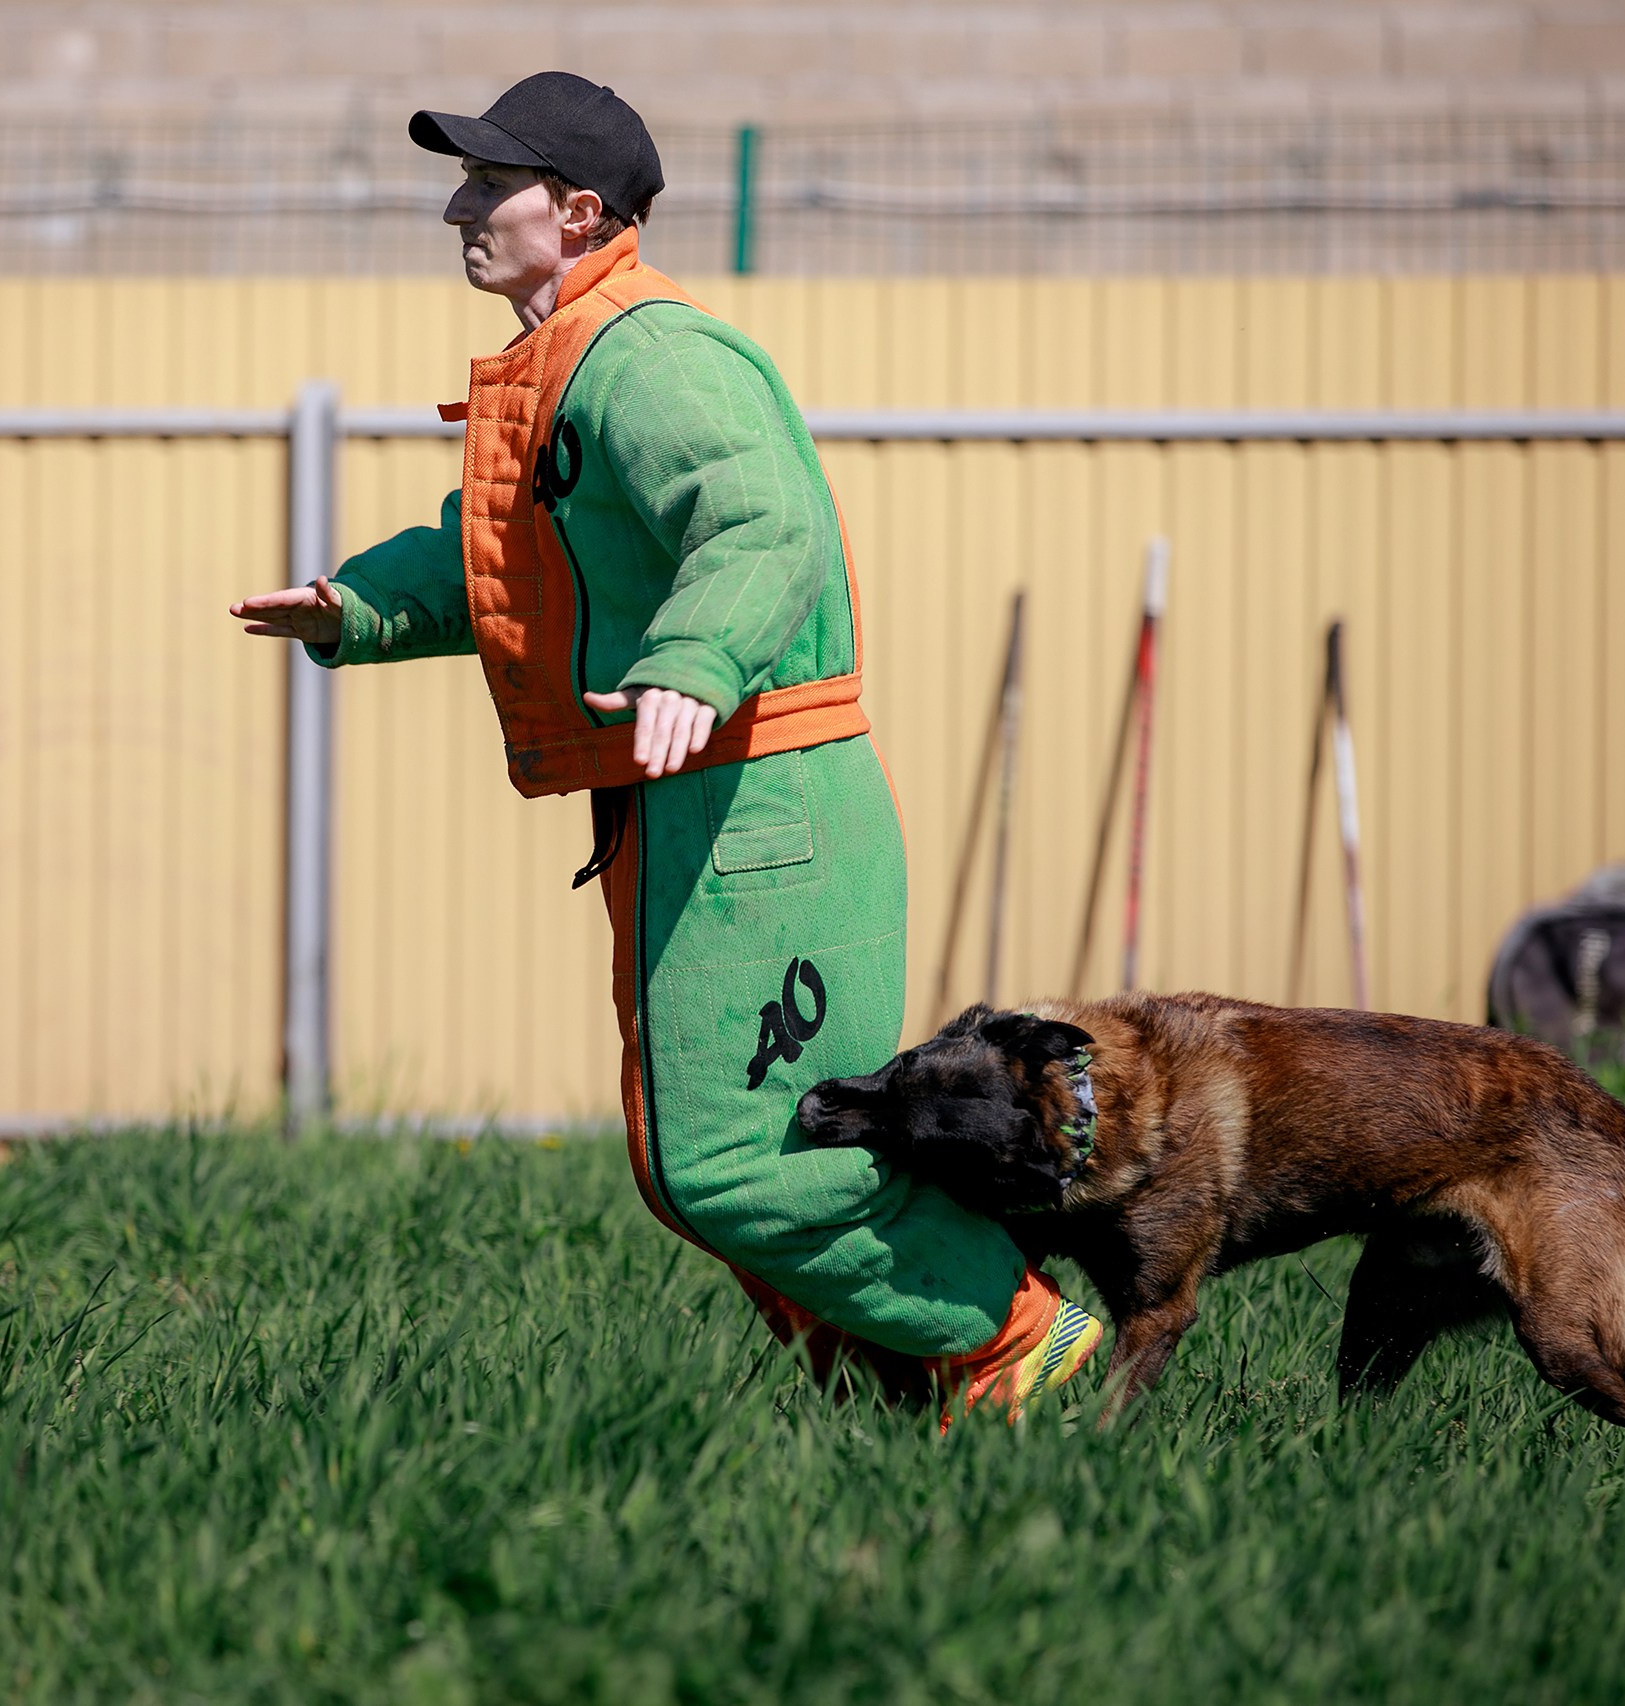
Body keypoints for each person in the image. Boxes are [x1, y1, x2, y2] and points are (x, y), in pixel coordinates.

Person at [229, 72, 1101, 1422]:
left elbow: (763, 525)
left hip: (764, 804)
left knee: (746, 1159)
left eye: (487, 183)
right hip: (699, 804)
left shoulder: (655, 357)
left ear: (578, 213)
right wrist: (357, 605)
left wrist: (696, 657)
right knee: (690, 1158)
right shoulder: (574, 365)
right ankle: (909, 1396)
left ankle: (1013, 1350)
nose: (458, 205)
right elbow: (508, 564)